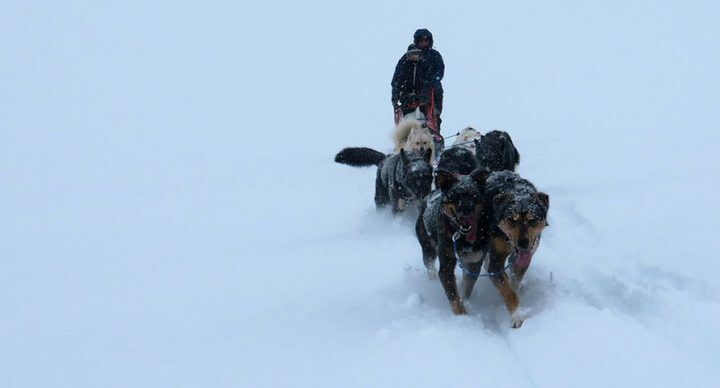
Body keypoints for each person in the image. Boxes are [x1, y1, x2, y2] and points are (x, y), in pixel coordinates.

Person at [391, 29, 445, 132]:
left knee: (433, 115)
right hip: (409, 92)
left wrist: (428, 86)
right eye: (421, 40)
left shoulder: (434, 56)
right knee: (406, 116)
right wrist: (395, 92)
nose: (424, 42)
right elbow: (398, 77)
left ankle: (434, 134)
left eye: (426, 40)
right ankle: (404, 135)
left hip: (430, 91)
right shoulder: (406, 59)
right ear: (416, 41)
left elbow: (439, 73)